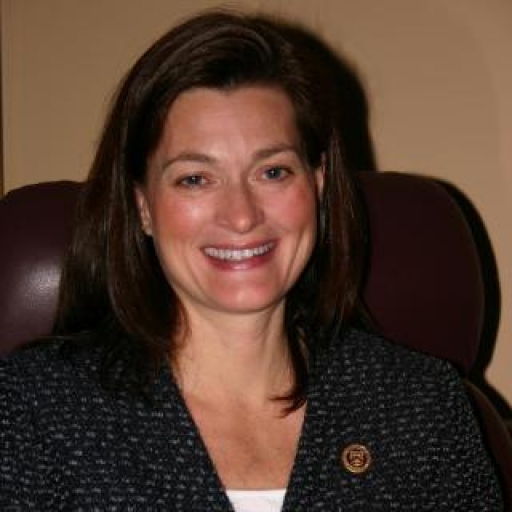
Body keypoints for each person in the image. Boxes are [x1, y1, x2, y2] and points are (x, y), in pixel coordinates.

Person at [0, 10, 503, 511]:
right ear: (143, 207)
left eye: (273, 172)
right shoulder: (35, 410)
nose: (241, 216)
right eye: (195, 179)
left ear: (318, 185)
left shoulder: (420, 406)